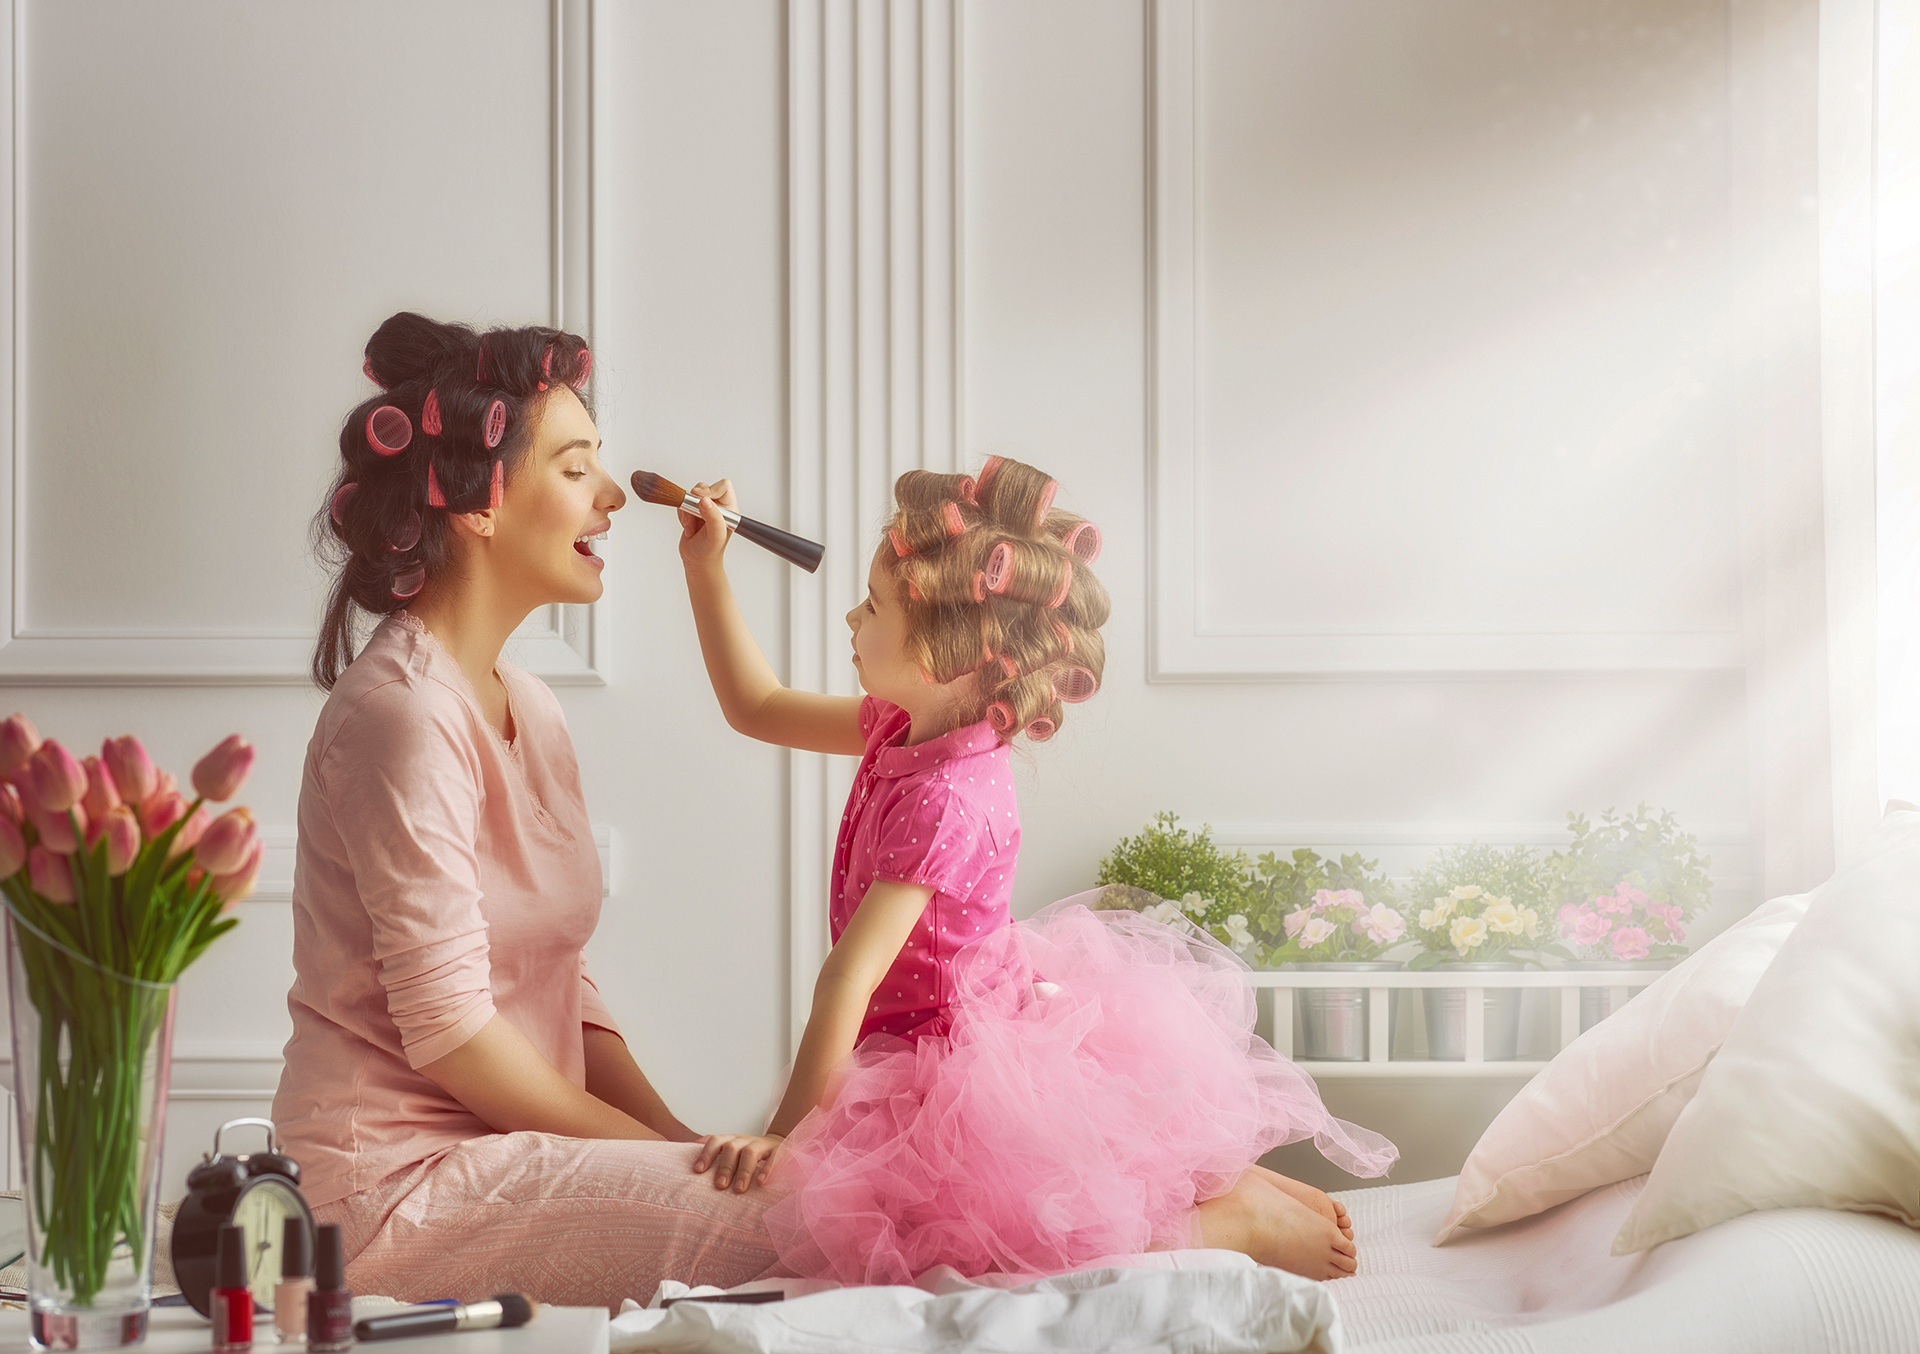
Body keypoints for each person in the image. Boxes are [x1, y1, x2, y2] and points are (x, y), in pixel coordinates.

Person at [673, 456, 1397, 1286]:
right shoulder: (903, 722)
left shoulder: (946, 797)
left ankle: (1228, 1218)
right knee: (1032, 1208)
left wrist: (784, 1136)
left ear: (948, 655)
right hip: (944, 1021)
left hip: (952, 1055)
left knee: (1007, 1240)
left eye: (871, 607)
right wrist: (705, 570)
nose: (849, 616)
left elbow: (847, 977)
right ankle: (1223, 1193)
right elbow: (756, 707)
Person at [272, 312, 781, 1308]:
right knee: (822, 1217)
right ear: (478, 504)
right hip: (391, 1192)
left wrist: (680, 1144)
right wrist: (659, 1161)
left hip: (508, 1150)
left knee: (805, 1199)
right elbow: (457, 1032)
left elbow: (562, 985)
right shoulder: (403, 714)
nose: (609, 497)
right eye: (576, 465)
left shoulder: (532, 706)